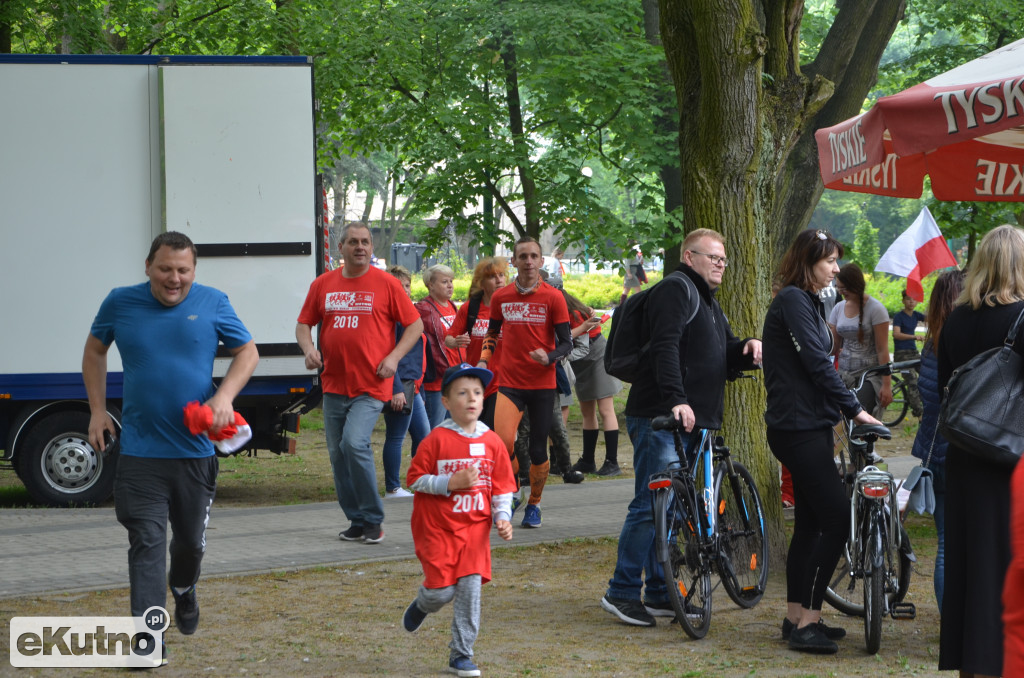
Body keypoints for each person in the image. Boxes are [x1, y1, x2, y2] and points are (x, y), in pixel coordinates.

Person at [82, 231, 259, 659]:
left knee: (190, 546)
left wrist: (224, 397)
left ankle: (184, 587)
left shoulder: (213, 302)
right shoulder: (120, 302)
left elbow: (247, 352)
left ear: (194, 271)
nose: (174, 278)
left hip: (195, 454)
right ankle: (148, 640)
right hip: (141, 455)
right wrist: (97, 410)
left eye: (183, 270)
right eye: (165, 269)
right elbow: (94, 350)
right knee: (146, 543)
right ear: (148, 267)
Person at [601, 228, 761, 627]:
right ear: (689, 257)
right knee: (650, 504)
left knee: (670, 511)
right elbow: (665, 345)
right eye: (712, 258)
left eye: (723, 259)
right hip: (663, 416)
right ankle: (621, 592)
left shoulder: (707, 300)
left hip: (692, 422)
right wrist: (676, 399)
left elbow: (723, 352)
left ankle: (659, 593)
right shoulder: (677, 289)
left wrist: (747, 349)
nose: (720, 264)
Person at [762, 228, 883, 654]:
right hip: (797, 428)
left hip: (804, 425)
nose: (836, 268)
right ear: (808, 261)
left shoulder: (810, 301)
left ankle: (795, 616)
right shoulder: (794, 300)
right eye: (829, 260)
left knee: (811, 525)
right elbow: (815, 362)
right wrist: (856, 409)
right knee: (835, 519)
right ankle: (808, 624)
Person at [296, 222, 423, 545]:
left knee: (354, 443)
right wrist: (309, 350)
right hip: (334, 384)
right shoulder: (323, 284)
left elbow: (414, 325)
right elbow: (303, 324)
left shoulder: (386, 284)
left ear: (372, 247)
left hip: (371, 384)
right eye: (353, 241)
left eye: (365, 241)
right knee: (338, 455)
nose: (360, 247)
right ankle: (356, 519)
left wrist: (393, 358)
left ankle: (374, 519)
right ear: (341, 248)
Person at [937, 224, 1024, 677]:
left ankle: (970, 663)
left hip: (965, 454)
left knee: (968, 565)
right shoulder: (1022, 316)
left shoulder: (956, 318)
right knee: (1005, 566)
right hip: (1009, 459)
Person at [402, 363, 516, 678]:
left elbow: (503, 486)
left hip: (475, 533)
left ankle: (462, 655)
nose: (471, 399)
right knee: (441, 592)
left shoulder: (492, 441)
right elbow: (414, 479)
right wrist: (450, 483)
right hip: (437, 528)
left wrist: (503, 517)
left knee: (469, 592)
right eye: (462, 393)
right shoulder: (437, 439)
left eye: (477, 393)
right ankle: (423, 603)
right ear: (447, 402)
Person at [478, 236, 573, 529]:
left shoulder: (553, 297)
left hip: (542, 385)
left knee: (537, 450)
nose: (529, 261)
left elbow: (567, 343)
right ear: (514, 261)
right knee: (502, 443)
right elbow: (492, 333)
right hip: (510, 382)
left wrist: (550, 357)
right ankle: (516, 486)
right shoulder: (502, 297)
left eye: (534, 256)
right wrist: (483, 360)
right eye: (523, 256)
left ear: (541, 261)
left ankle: (535, 503)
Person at [909, 269, 963, 612]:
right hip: (956, 452)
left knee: (946, 543)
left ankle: (949, 619)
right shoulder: (961, 342)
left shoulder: (931, 343)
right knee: (959, 544)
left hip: (930, 452)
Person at [829, 263, 892, 455]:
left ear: (856, 285)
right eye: (839, 288)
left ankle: (861, 459)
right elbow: (833, 346)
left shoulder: (876, 309)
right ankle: (850, 459)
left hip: (868, 375)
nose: (842, 292)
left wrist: (886, 385)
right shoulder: (839, 308)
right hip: (844, 373)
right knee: (837, 417)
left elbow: (883, 350)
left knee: (858, 414)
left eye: (845, 288)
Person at [381, 265, 430, 498]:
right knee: (396, 436)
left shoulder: (408, 312)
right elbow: (387, 355)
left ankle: (419, 480)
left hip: (415, 386)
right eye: (399, 286)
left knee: (423, 435)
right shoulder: (389, 317)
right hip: (400, 385)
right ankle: (392, 487)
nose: (405, 290)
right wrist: (395, 388)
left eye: (408, 285)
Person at [565, 291, 623, 477]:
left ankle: (612, 462)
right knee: (586, 410)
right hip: (580, 361)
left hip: (597, 355)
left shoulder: (574, 312)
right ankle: (588, 460)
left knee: (606, 409)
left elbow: (571, 335)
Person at [445, 257, 508, 428]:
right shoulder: (470, 308)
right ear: (481, 283)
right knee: (474, 429)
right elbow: (448, 339)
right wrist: (456, 341)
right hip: (476, 380)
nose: (499, 280)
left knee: (491, 428)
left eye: (502, 275)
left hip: (502, 383)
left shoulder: (509, 308)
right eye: (492, 276)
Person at [417, 264, 462, 428]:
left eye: (451, 281)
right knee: (434, 429)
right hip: (437, 380)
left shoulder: (451, 306)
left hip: (455, 376)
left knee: (453, 429)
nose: (450, 285)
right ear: (430, 284)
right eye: (444, 281)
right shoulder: (423, 308)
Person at [892, 290, 925, 418]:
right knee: (913, 382)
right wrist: (914, 337)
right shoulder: (899, 317)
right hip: (901, 355)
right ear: (903, 301)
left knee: (927, 376)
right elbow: (896, 334)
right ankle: (919, 413)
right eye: (908, 299)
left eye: (914, 299)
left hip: (914, 353)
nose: (911, 301)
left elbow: (932, 317)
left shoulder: (916, 315)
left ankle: (927, 405)